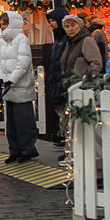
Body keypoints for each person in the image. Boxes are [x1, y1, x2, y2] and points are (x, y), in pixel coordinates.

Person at [0, 11, 39, 164]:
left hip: (21, 86)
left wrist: (11, 80)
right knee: (11, 124)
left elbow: (23, 63)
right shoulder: (3, 40)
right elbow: (0, 61)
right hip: (10, 87)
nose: (2, 27)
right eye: (1, 24)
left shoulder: (21, 39)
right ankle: (14, 150)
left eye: (5, 24)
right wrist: (0, 79)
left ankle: (27, 150)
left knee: (24, 122)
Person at [45, 9, 69, 151]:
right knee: (61, 112)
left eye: (53, 21)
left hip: (62, 81)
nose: (51, 24)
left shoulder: (65, 39)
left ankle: (67, 142)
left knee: (66, 112)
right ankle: (65, 139)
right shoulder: (58, 39)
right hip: (56, 80)